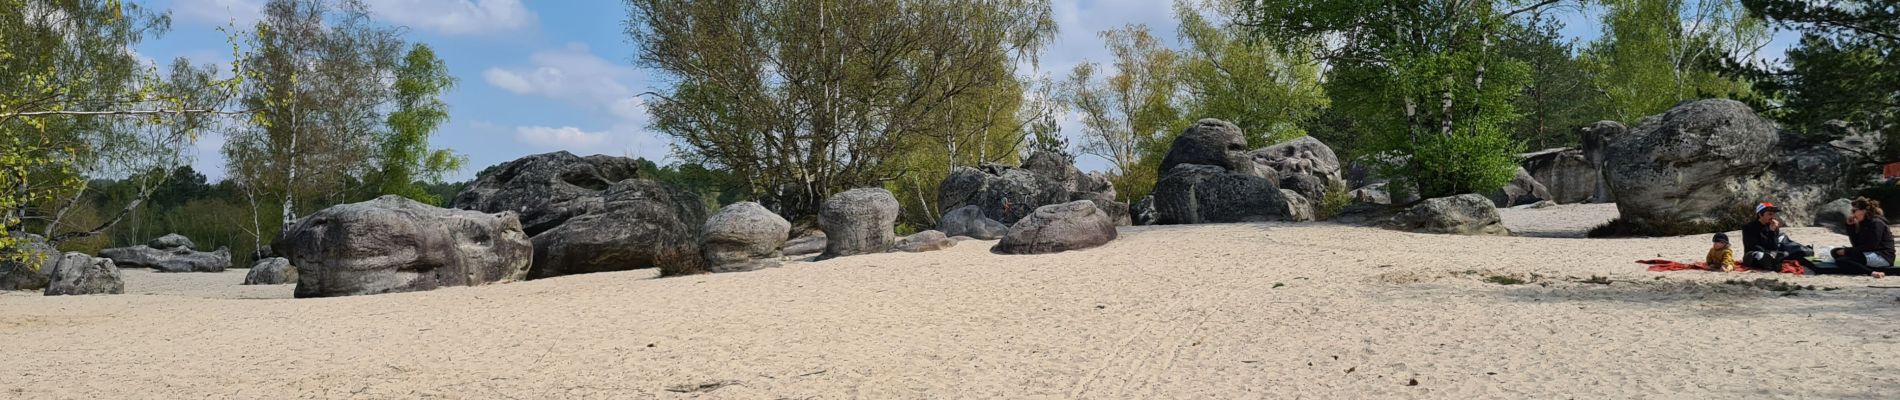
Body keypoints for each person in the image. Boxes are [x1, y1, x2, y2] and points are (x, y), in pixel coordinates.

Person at [1823, 197, 1896, 277]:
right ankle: (1860, 266)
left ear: (1864, 211)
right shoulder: (1864, 223)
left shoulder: (1876, 223)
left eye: (1854, 211)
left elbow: (1871, 246)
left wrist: (1847, 251)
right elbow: (1857, 245)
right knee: (1835, 252)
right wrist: (1850, 227)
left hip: (1882, 256)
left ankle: (1871, 272)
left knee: (1842, 260)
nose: (1852, 214)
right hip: (1870, 252)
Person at [1741, 202, 1813, 271]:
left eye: (1773, 214)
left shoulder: (1773, 226)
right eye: (1769, 214)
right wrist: (1771, 253)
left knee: (1789, 252)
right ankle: (1772, 261)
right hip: (1754, 254)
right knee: (1759, 255)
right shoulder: (1748, 228)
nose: (1772, 217)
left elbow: (1774, 247)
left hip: (1771, 253)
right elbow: (1753, 246)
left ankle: (1774, 261)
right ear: (1760, 214)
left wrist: (1772, 231)